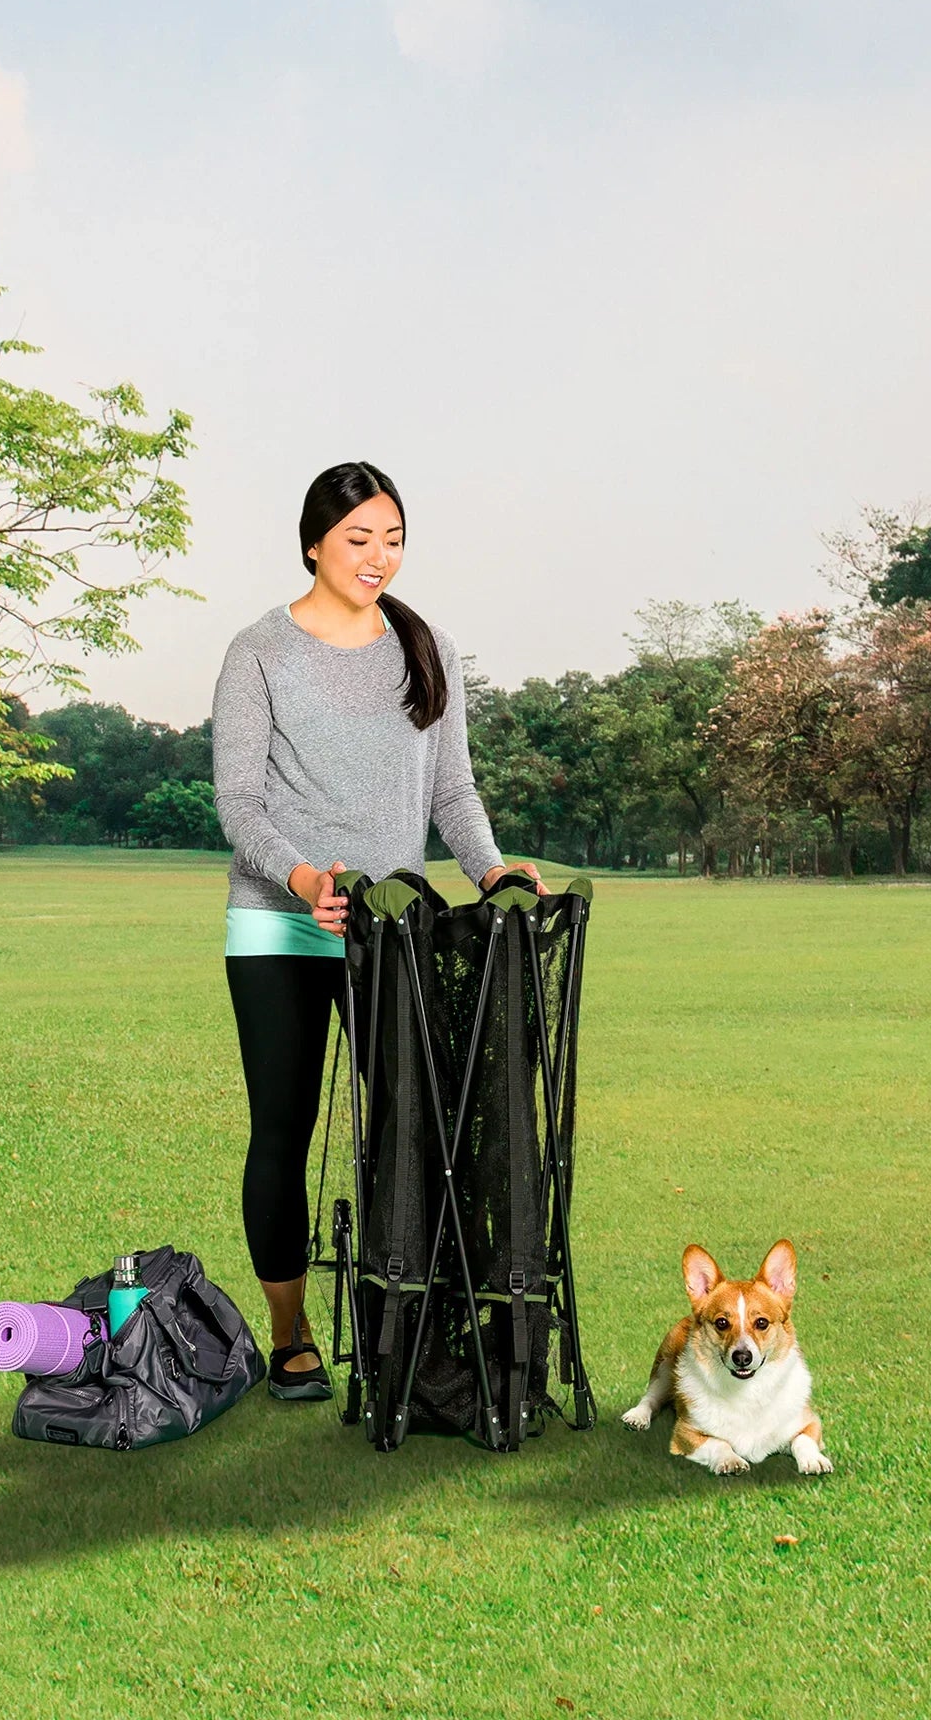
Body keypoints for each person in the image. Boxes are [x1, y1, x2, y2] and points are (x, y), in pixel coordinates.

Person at [211, 462, 539, 1399]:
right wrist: (307, 876)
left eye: (393, 540)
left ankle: (415, 1319)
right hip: (281, 926)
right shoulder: (259, 652)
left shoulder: (422, 644)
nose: (378, 558)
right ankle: (290, 1334)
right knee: (283, 1127)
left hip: (394, 928)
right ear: (314, 541)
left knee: (415, 1124)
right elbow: (240, 805)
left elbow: (452, 790)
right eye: (359, 539)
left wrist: (488, 867)